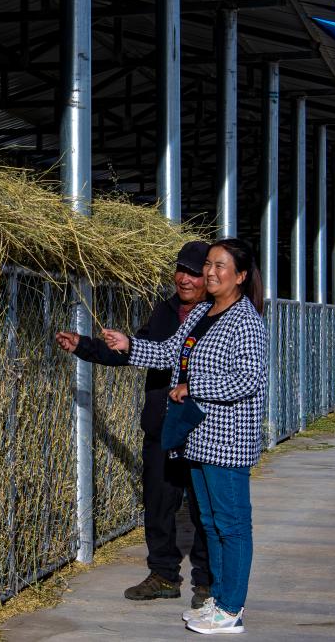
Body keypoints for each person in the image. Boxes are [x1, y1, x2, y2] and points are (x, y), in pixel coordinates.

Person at [102, 238, 267, 635]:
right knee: (210, 523)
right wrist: (129, 346)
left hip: (228, 439)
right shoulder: (203, 313)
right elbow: (170, 353)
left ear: (241, 276)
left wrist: (195, 387)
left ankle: (231, 609)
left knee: (232, 525)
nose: (209, 272)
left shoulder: (246, 320)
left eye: (220, 266)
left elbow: (248, 379)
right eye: (208, 265)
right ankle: (219, 600)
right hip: (198, 435)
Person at [55, 241, 212, 607]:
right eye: (180, 270)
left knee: (205, 507)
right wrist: (85, 346)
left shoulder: (218, 315)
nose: (184, 279)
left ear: (208, 276)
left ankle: (206, 582)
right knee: (158, 503)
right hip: (162, 426)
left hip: (203, 427)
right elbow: (135, 350)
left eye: (193, 273)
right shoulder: (166, 310)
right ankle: (163, 574)